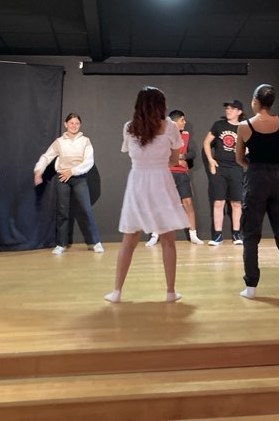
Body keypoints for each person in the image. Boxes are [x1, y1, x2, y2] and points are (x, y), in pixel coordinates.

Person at [105, 87, 190, 303]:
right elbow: (174, 159)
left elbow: (132, 154)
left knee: (129, 239)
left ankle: (117, 292)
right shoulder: (170, 127)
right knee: (168, 240)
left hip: (137, 182)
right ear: (161, 106)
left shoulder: (129, 127)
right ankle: (170, 292)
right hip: (161, 181)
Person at [235, 84, 279, 299]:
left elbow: (239, 158)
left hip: (255, 178)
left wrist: (253, 164)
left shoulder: (244, 126)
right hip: (277, 178)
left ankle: (251, 288)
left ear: (255, 101)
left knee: (250, 235)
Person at [33, 113, 104, 254]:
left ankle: (95, 242)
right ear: (66, 124)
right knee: (62, 211)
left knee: (86, 209)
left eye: (77, 123)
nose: (74, 126)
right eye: (71, 123)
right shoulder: (59, 142)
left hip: (79, 178)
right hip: (62, 179)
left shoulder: (85, 141)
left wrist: (72, 171)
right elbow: (46, 157)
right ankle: (61, 244)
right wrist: (38, 171)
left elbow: (88, 161)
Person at [146, 109, 203, 246]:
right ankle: (155, 235)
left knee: (188, 203)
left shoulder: (186, 136)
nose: (184, 123)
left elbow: (192, 153)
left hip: (182, 174)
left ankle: (193, 234)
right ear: (174, 122)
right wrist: (177, 161)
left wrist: (181, 157)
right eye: (182, 120)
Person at [203, 100, 245, 245]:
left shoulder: (244, 127)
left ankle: (236, 235)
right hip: (220, 168)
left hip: (236, 168)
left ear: (239, 112)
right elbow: (206, 142)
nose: (228, 111)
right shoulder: (219, 125)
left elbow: (250, 145)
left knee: (236, 203)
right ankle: (218, 236)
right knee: (218, 202)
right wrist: (211, 160)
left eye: (232, 109)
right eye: (227, 108)